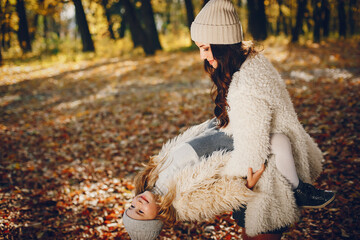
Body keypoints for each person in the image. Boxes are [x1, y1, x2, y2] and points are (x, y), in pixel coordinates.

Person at [189, 0, 335, 238]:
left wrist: (226, 182)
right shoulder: (251, 63)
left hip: (268, 181)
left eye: (205, 48)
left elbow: (252, 153)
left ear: (222, 43)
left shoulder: (246, 85)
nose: (203, 56)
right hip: (279, 162)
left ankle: (299, 190)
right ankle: (300, 189)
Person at [123, 118, 334, 240]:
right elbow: (217, 196)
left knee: (260, 119)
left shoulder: (152, 179)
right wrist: (245, 186)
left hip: (213, 134)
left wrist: (210, 124)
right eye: (140, 212)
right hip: (223, 149)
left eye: (130, 206)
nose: (137, 203)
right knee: (277, 141)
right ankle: (298, 189)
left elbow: (181, 146)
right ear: (158, 217)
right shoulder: (182, 204)